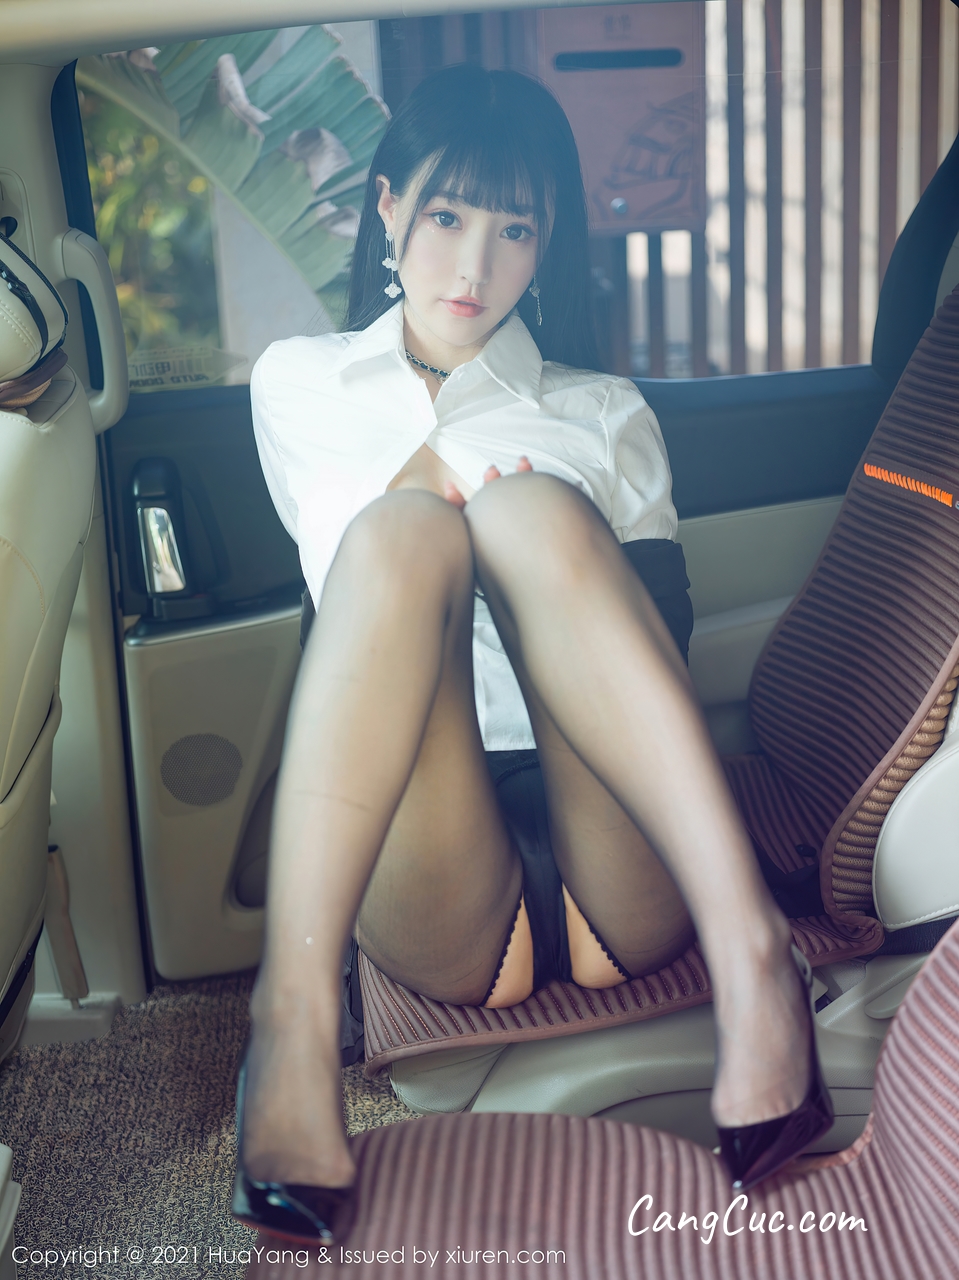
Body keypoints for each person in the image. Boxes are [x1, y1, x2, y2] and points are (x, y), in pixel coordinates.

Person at [231, 64, 832, 1243]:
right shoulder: (299, 382)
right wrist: (439, 483)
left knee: (524, 508)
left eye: (514, 229)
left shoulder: (602, 409)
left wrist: (530, 515)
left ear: (546, 242)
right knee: (401, 534)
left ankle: (751, 951)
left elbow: (658, 650)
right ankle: (289, 1013)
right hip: (432, 852)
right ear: (387, 208)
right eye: (447, 216)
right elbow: (346, 607)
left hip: (618, 843)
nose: (474, 265)